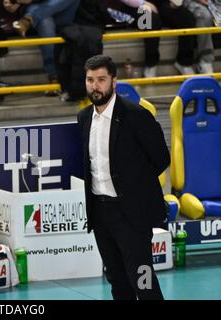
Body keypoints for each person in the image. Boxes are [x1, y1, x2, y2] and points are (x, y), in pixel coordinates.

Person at [77, 55, 170, 300]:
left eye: (101, 80)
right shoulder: (84, 118)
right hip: (100, 212)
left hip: (131, 214)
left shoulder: (136, 116)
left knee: (142, 277)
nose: (95, 86)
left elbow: (161, 159)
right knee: (117, 280)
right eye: (90, 80)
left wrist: (133, 186)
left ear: (114, 82)